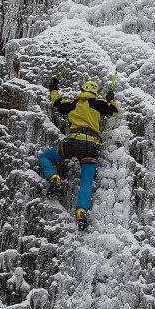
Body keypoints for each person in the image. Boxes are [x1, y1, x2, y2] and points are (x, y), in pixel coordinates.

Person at [39, 77, 119, 229]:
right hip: (91, 147)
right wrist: (110, 99)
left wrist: (54, 88)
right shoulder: (98, 104)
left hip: (74, 142)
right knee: (86, 181)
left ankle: (54, 177)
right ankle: (81, 211)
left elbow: (56, 103)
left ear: (82, 90)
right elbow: (114, 111)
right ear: (95, 93)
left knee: (45, 157)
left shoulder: (73, 104)